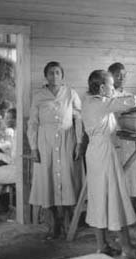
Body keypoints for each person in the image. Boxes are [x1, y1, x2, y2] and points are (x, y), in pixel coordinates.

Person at [82, 69, 136, 259]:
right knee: (116, 198)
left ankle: (102, 246)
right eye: (111, 86)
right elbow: (129, 101)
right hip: (104, 152)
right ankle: (127, 248)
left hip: (94, 152)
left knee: (98, 198)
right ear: (101, 87)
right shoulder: (101, 103)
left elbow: (118, 105)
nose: (113, 89)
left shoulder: (89, 100)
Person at [27, 61, 85, 239]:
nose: (54, 76)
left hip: (67, 139)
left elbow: (79, 118)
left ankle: (68, 221)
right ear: (46, 76)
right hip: (46, 141)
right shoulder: (38, 95)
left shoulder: (70, 93)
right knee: (47, 180)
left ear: (62, 75)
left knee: (68, 179)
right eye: (51, 73)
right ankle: (53, 225)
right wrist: (34, 148)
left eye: (58, 73)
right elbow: (33, 123)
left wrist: (79, 142)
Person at [108, 62, 136, 200]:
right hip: (112, 137)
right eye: (117, 75)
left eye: (123, 75)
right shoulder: (106, 95)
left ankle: (129, 208)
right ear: (110, 76)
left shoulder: (129, 95)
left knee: (129, 170)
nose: (121, 78)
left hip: (128, 138)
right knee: (115, 172)